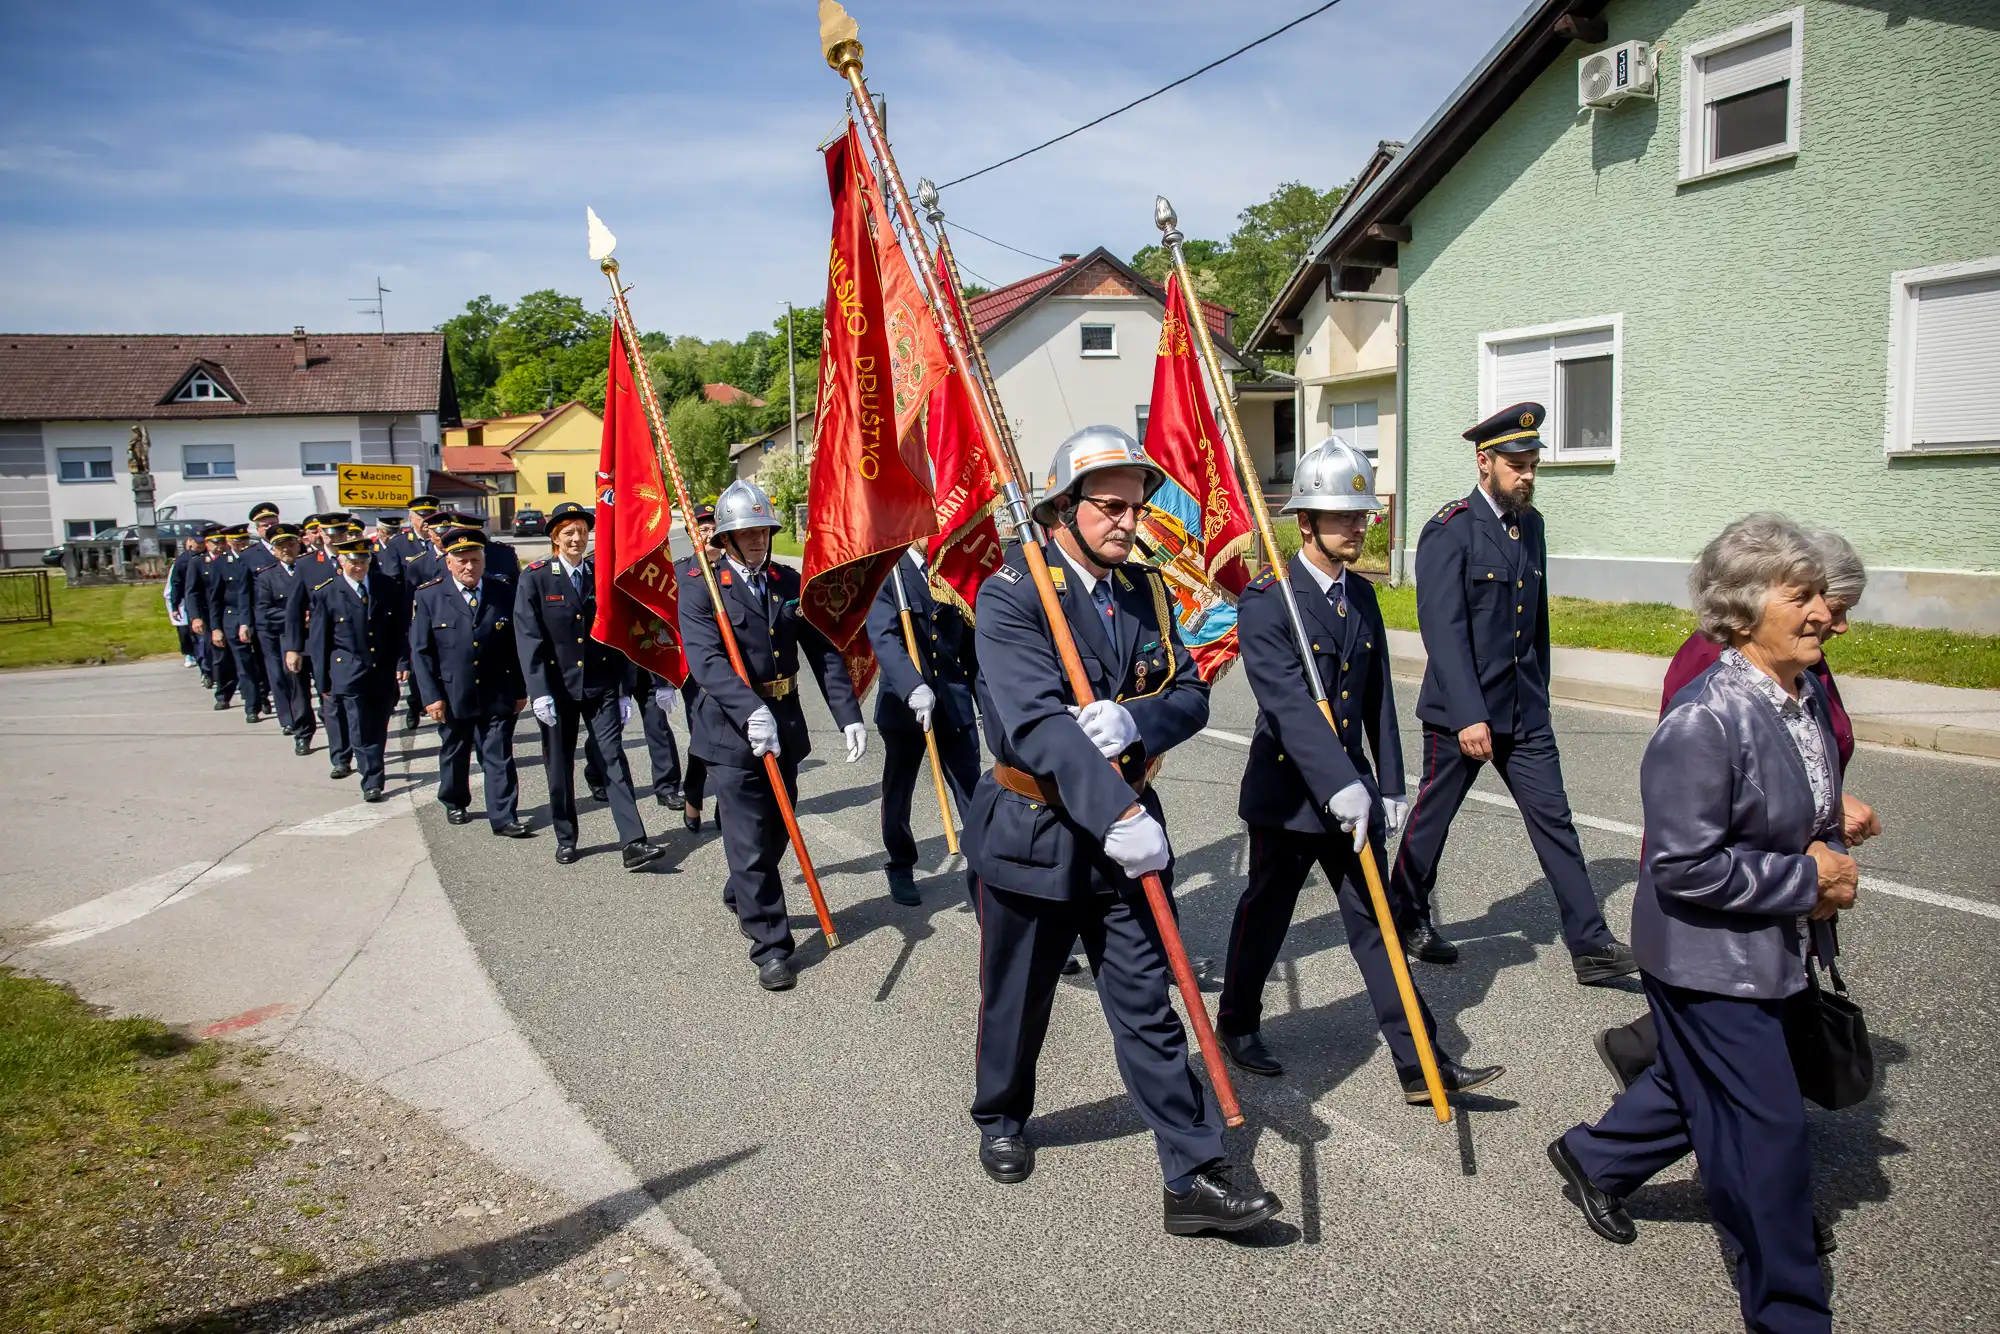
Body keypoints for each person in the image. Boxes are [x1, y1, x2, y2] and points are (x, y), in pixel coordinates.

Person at [966, 426, 1278, 1236]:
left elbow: (1190, 693)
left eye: (1136, 507)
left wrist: (1134, 721)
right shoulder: (1013, 593)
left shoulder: (1145, 591)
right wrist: (1118, 813)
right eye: (1111, 506)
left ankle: (1194, 1171)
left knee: (1147, 1004)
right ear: (1063, 508)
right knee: (1018, 999)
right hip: (1038, 829)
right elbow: (1032, 725)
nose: (1129, 522)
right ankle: (1001, 1115)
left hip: (1126, 835)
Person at [1549, 515, 1855, 1333]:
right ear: (1746, 608)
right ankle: (1789, 1313)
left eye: (1821, 595)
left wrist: (1826, 850)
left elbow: (1801, 814)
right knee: (1768, 1143)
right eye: (1802, 596)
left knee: (1709, 1095)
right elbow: (1683, 867)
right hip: (1709, 963)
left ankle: (1596, 1157)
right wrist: (1808, 879)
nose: (1824, 612)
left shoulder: (1796, 699)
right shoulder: (1706, 719)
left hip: (1767, 949)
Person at [1219, 440, 1505, 1105]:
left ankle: (1421, 1062)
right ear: (1306, 523)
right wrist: (1339, 783)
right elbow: (1287, 704)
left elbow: (1377, 699)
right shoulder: (1269, 601)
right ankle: (1236, 1019)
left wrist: (1392, 782)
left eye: (1362, 514)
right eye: (1343, 516)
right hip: (1291, 797)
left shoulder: (1362, 597)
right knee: (1267, 913)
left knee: (1377, 922)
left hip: (1355, 796)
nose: (1358, 526)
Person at [1387, 402, 1637, 985]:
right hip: (1463, 715)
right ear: (1485, 462)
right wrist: (1469, 715)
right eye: (1516, 465)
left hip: (1524, 712)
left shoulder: (1532, 526)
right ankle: (1404, 914)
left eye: (1532, 466)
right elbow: (1444, 632)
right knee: (1433, 819)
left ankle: (1591, 944)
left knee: (1555, 821)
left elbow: (1534, 623)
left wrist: (1540, 693)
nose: (1527, 475)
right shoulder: (1449, 530)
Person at [677, 480, 866, 990]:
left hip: (784, 725)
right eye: (749, 533)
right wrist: (749, 709)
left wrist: (847, 712)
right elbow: (706, 660)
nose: (759, 540)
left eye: (764, 531)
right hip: (731, 731)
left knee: (776, 831)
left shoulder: (786, 580)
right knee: (747, 839)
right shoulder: (701, 584)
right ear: (727, 538)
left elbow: (821, 650)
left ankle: (742, 890)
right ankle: (771, 946)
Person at [515, 501, 665, 870]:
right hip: (558, 689)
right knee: (559, 766)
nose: (576, 538)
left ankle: (633, 841)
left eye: (582, 532)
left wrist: (625, 688)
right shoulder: (535, 577)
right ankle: (566, 837)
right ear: (555, 538)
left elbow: (619, 631)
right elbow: (529, 638)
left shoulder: (601, 573)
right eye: (568, 532)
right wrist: (538, 692)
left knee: (613, 759)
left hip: (601, 684)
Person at [864, 544, 980, 906]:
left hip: (953, 702)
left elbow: (970, 644)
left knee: (973, 792)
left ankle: (986, 870)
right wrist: (912, 686)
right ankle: (900, 864)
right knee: (898, 793)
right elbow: (883, 636)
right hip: (905, 704)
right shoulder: (888, 569)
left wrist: (990, 705)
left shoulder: (954, 568)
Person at [410, 529, 534, 838]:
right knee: (455, 751)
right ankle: (455, 801)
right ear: (448, 563)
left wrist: (520, 689)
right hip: (453, 693)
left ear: (484, 561)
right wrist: (431, 697)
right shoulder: (429, 596)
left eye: (475, 560)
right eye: (462, 561)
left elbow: (516, 645)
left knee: (499, 754)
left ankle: (504, 817)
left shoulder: (502, 592)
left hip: (497, 690)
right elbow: (421, 652)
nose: (469, 567)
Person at [294, 533, 409, 800]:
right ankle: (372, 781)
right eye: (353, 562)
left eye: (363, 562)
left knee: (378, 725)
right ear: (341, 563)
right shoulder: (327, 593)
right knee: (359, 726)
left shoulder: (386, 587)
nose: (358, 567)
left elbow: (400, 629)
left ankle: (373, 767)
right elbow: (320, 641)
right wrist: (322, 681)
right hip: (347, 670)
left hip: (381, 669)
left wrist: (403, 660)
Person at [669, 503, 721, 834]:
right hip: (696, 671)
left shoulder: (734, 567)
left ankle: (726, 805)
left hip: (734, 667)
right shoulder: (680, 573)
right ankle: (693, 797)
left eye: (714, 527)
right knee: (703, 739)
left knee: (734, 742)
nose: (709, 533)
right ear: (692, 534)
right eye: (702, 529)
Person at [251, 523, 316, 755]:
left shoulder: (313, 569)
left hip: (318, 636)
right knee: (298, 690)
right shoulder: (267, 577)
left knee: (328, 689)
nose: (286, 549)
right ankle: (303, 733)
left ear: (299, 545)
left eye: (290, 544)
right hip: (290, 639)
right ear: (274, 550)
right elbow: (265, 611)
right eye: (280, 546)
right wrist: (296, 617)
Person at [216, 522, 273, 725]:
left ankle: (264, 695)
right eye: (236, 541)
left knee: (263, 662)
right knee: (244, 665)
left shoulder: (255, 557)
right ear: (228, 542)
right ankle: (252, 706)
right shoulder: (221, 563)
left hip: (259, 616)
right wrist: (215, 627)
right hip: (234, 617)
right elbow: (215, 598)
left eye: (244, 540)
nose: (241, 544)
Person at [192, 525, 237, 708]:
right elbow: (192, 592)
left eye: (222, 542)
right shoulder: (198, 563)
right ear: (207, 544)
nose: (220, 546)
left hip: (232, 612)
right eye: (215, 542)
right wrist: (195, 617)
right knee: (220, 656)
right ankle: (223, 694)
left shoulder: (232, 561)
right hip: (210, 616)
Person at [167, 534, 206, 673]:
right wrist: (175, 605)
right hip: (191, 602)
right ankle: (201, 666)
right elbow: (176, 584)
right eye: (198, 542)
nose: (200, 545)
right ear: (190, 541)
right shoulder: (183, 561)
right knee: (194, 636)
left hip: (209, 601)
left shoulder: (209, 557)